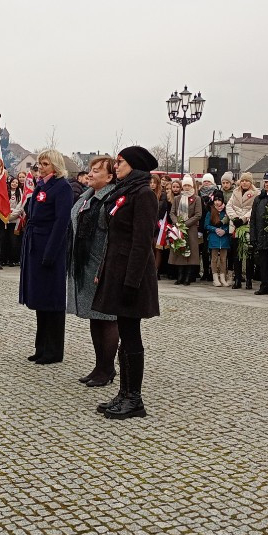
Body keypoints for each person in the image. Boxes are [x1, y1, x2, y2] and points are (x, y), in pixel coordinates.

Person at [92, 146, 160, 420]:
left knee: (131, 335)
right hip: (118, 271)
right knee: (125, 332)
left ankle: (135, 399)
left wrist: (130, 282)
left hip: (133, 277)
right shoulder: (126, 192)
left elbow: (142, 243)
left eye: (120, 162)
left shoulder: (143, 195)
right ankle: (124, 393)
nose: (115, 166)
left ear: (134, 165)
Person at [66, 155, 118, 387]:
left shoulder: (110, 200)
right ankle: (99, 366)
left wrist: (104, 267)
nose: (90, 173)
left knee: (106, 319)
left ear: (109, 177)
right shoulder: (88, 196)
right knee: (94, 318)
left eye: (97, 171)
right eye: (90, 169)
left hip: (101, 267)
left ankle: (107, 369)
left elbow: (111, 239)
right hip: (85, 265)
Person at [19, 150, 74, 364]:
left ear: (55, 166)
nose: (40, 167)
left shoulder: (62, 188)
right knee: (39, 298)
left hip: (50, 248)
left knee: (52, 300)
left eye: (44, 163)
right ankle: (41, 346)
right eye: (39, 164)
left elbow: (61, 223)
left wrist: (51, 252)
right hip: (35, 244)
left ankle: (53, 350)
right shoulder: (41, 185)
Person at [168, 175, 201, 285]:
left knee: (190, 252)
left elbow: (198, 214)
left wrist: (185, 224)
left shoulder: (196, 199)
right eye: (185, 185)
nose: (186, 187)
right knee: (180, 251)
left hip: (190, 229)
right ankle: (180, 276)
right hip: (179, 228)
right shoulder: (177, 199)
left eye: (188, 185)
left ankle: (188, 277)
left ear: (191, 186)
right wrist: (177, 223)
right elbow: (172, 212)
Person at [226, 174, 257, 289]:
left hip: (247, 225)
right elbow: (229, 206)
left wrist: (244, 218)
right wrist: (235, 218)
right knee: (236, 254)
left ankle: (249, 279)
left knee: (249, 255)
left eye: (247, 181)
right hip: (235, 225)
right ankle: (237, 279)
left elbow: (254, 208)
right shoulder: (235, 192)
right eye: (242, 180)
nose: (244, 183)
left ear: (250, 182)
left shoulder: (255, 193)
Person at [204, 194, 231, 286]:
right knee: (214, 258)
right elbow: (206, 225)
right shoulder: (210, 211)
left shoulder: (226, 212)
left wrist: (225, 231)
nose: (217, 202)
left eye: (219, 200)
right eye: (215, 200)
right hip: (214, 237)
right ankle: (215, 277)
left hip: (224, 237)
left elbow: (229, 224)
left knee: (223, 258)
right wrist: (214, 229)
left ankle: (223, 277)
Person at [198, 173, 219, 282]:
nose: (206, 183)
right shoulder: (199, 193)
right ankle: (205, 271)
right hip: (201, 225)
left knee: (212, 251)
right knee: (204, 251)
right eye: (204, 181)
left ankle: (212, 271)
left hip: (213, 224)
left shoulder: (216, 193)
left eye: (208, 181)